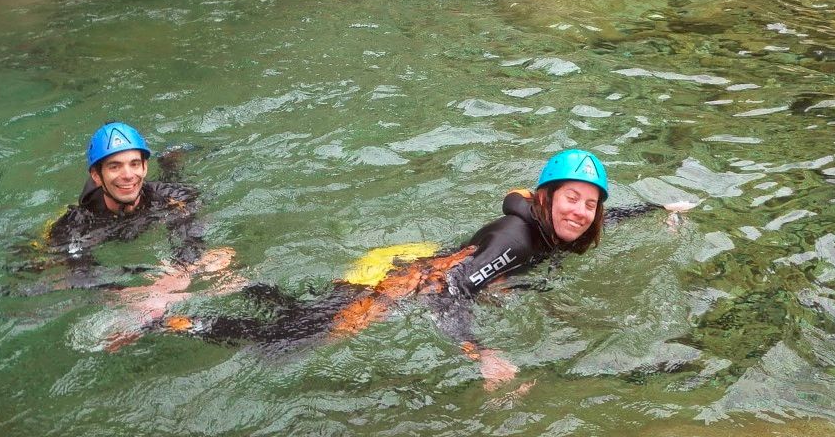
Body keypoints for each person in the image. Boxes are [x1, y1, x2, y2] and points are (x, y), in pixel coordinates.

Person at [101, 148, 695, 389]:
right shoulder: (516, 238)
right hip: (406, 279)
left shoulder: (564, 224)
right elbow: (450, 288)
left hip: (402, 261)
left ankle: (227, 281)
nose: (581, 210)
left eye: (590, 202)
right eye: (571, 197)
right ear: (544, 197)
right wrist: (478, 353)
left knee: (306, 315)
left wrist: (657, 209)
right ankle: (162, 320)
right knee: (292, 341)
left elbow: (599, 221)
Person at [36, 122, 205, 271]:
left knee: (170, 176)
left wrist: (182, 269)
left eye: (135, 164)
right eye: (115, 166)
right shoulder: (78, 224)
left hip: (154, 194)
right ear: (96, 175)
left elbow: (191, 238)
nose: (128, 175)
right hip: (98, 205)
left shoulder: (168, 196)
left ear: (145, 167)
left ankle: (169, 159)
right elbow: (81, 275)